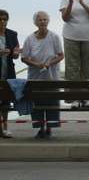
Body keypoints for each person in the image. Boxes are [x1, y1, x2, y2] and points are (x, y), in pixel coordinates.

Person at [21, 11, 63, 139]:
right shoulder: (29, 39)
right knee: (37, 104)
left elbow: (61, 55)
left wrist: (50, 63)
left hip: (51, 77)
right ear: (36, 23)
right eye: (40, 20)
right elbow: (24, 58)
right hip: (35, 77)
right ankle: (40, 128)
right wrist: (35, 64)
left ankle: (49, 128)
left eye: (45, 19)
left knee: (51, 103)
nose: (43, 22)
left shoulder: (54, 37)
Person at [0, 10, 20, 137]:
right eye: (0, 19)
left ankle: (5, 127)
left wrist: (15, 53)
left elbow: (16, 54)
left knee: (6, 101)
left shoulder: (12, 34)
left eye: (5, 19)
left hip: (8, 72)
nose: (2, 22)